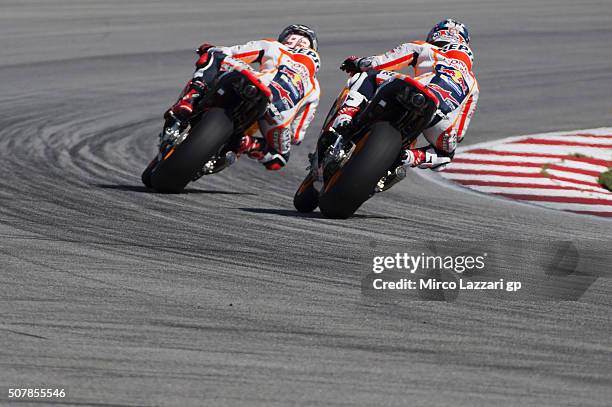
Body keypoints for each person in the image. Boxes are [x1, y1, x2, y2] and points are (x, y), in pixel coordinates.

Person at [165, 24, 320, 171]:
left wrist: (209, 49)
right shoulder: (315, 87)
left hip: (256, 81)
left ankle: (191, 98)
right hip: (276, 116)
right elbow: (296, 136)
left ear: (286, 38)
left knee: (214, 54)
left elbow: (233, 53)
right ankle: (247, 144)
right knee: (280, 157)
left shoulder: (273, 45)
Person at [331, 18, 479, 172]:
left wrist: (357, 62)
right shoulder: (473, 83)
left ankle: (346, 116)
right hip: (439, 118)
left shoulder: (426, 48)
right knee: (445, 156)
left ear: (435, 35)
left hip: (415, 90)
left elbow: (378, 63)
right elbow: (460, 132)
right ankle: (409, 157)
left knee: (369, 75)